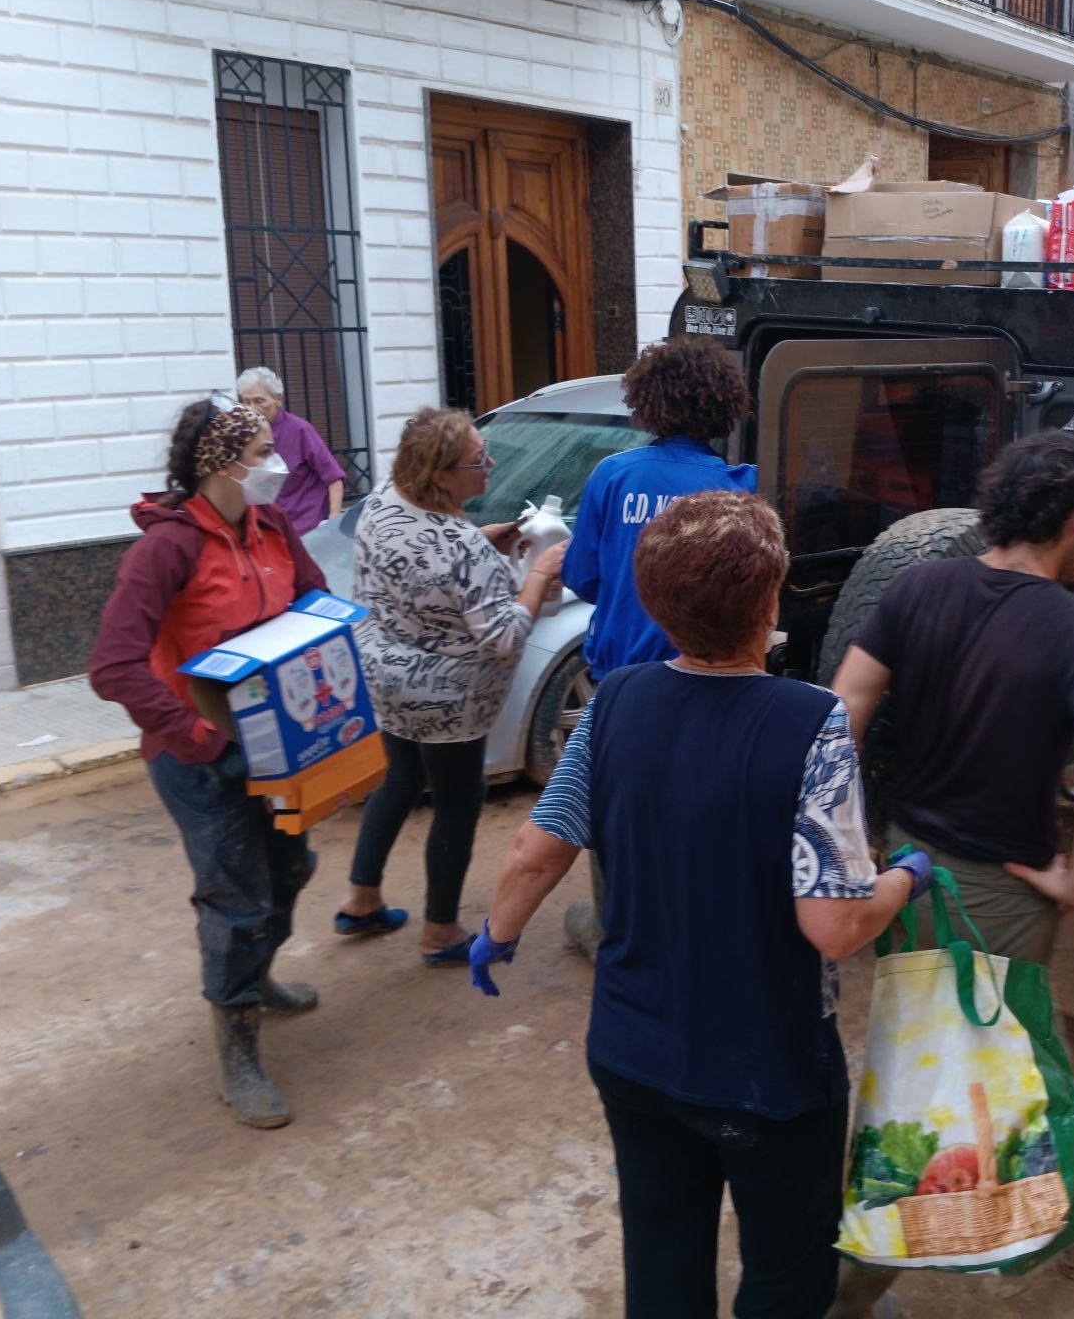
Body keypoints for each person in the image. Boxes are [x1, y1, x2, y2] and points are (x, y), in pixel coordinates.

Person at [471, 489, 928, 1318]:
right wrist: (904, 878)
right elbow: (831, 924)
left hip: (632, 1052)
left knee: (663, 1258)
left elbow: (536, 850)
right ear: (769, 602)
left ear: (654, 602)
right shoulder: (813, 722)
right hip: (767, 1073)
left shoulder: (615, 703)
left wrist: (496, 936)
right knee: (787, 1276)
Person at [827, 430, 1074, 1317]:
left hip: (907, 865)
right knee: (963, 1081)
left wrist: (848, 839)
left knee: (993, 1061)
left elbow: (843, 706)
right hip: (998, 900)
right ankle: (852, 1287)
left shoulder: (920, 585)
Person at [89, 395, 324, 1128]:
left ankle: (254, 976)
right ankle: (238, 1047)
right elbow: (112, 666)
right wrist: (191, 731)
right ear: (222, 465)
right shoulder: (167, 547)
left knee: (290, 869)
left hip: (275, 743)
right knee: (236, 898)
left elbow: (313, 598)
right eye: (262, 451)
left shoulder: (273, 524)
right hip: (199, 757)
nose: (277, 462)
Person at [335, 407, 566, 967]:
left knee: (401, 776)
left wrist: (483, 542)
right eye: (476, 461)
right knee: (459, 803)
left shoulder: (386, 502)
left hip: (387, 681)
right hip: (448, 703)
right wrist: (535, 576)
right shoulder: (459, 548)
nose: (489, 466)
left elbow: (423, 565)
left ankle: (361, 897)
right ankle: (440, 931)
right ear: (441, 475)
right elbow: (505, 636)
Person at [558, 334, 755, 951]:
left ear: (647, 403)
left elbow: (583, 576)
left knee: (615, 807)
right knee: (692, 808)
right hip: (704, 676)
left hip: (619, 685)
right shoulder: (734, 490)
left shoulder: (613, 476)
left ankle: (612, 926)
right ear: (723, 407)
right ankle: (688, 926)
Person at [237, 366, 347, 536]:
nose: (252, 408)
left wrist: (333, 520)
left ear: (279, 399)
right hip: (270, 530)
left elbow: (334, 478)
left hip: (308, 528)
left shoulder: (300, 430)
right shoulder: (243, 435)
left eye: (259, 401)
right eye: (246, 402)